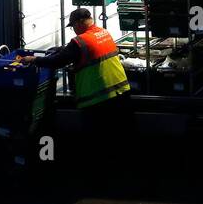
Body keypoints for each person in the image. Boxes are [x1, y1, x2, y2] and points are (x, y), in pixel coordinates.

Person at [17, 8, 132, 136]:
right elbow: (84, 50)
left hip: (98, 99)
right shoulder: (104, 33)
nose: (74, 30)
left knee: (99, 139)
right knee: (121, 135)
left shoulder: (80, 42)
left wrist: (33, 59)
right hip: (121, 92)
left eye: (73, 26)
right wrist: (63, 49)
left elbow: (57, 61)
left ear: (79, 22)